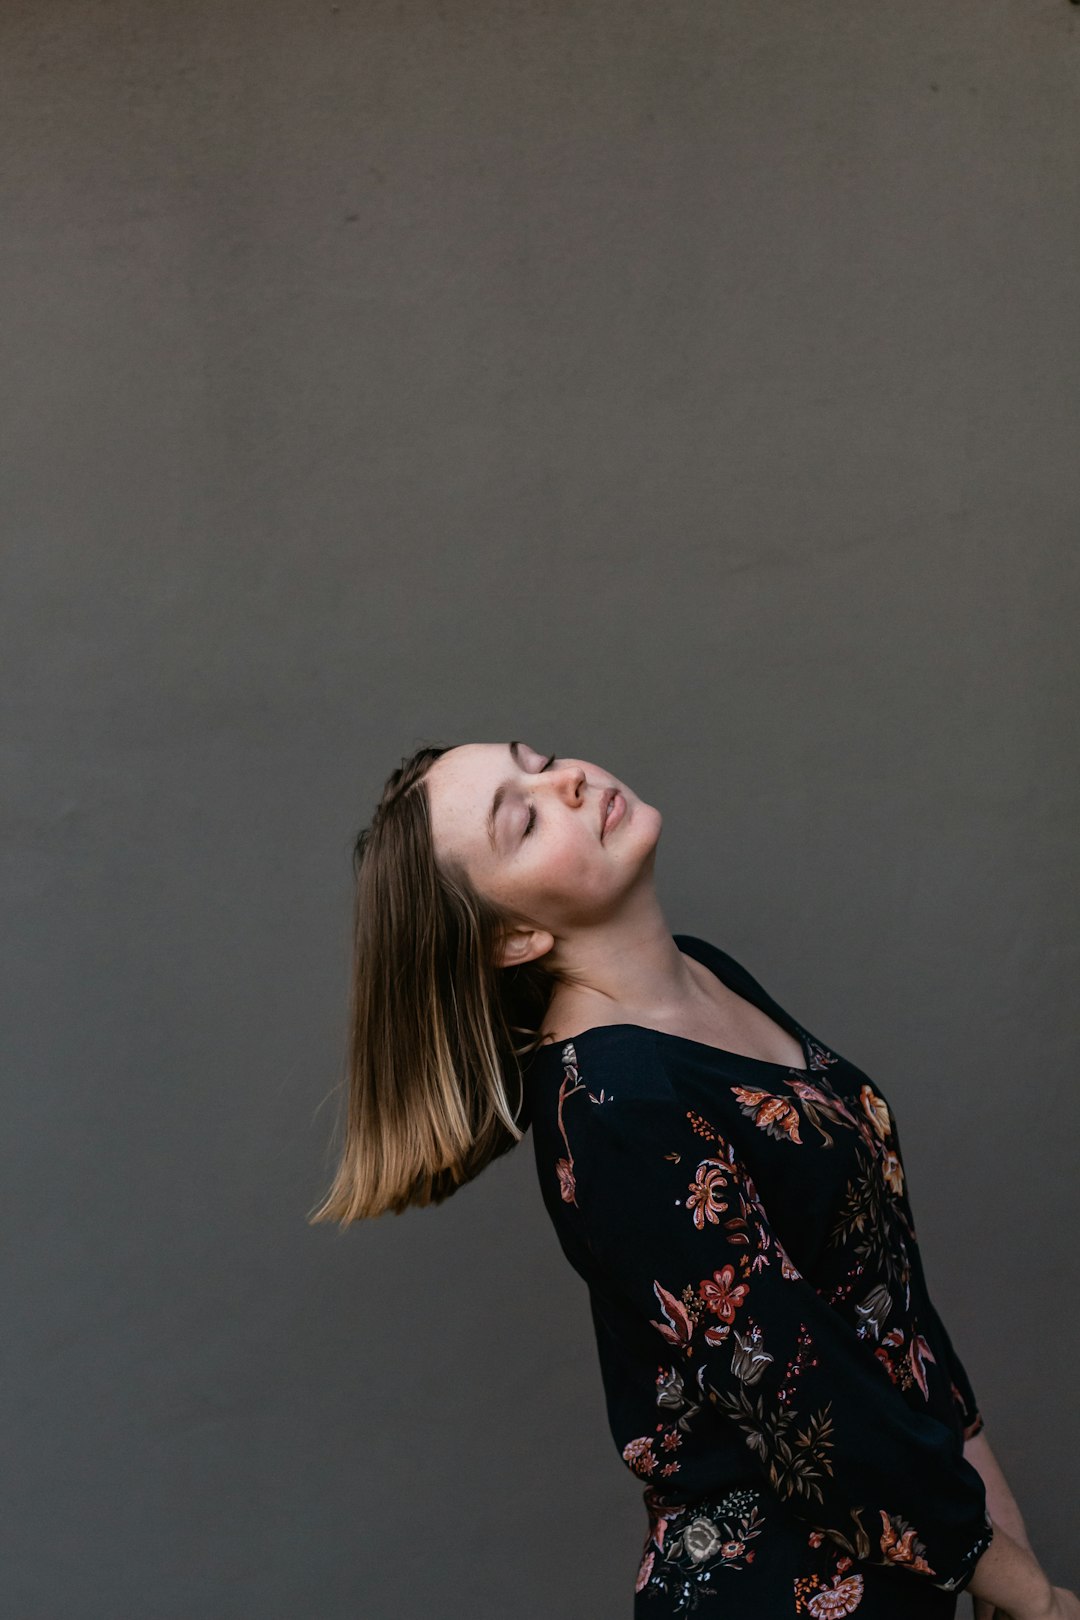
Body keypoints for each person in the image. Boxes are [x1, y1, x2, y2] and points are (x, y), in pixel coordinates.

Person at [309, 740, 1077, 1619]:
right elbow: (803, 1397)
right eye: (523, 820)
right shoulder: (613, 1106)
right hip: (780, 1592)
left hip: (919, 1560)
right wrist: (1031, 1595)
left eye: (540, 756)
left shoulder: (709, 975)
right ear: (515, 936)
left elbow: (881, 1285)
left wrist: (1000, 1521)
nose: (567, 779)